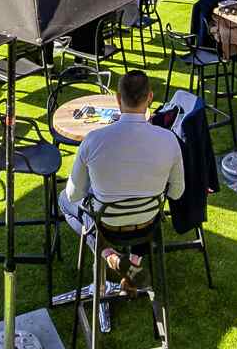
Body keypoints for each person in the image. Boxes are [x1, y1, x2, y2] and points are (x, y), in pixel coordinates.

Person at [63, 70, 186, 302]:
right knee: (130, 201)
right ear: (150, 97)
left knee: (64, 200)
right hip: (148, 222)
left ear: (118, 99)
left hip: (108, 225)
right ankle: (133, 261)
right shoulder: (169, 140)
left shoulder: (93, 140)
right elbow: (177, 193)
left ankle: (108, 254)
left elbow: (73, 194)